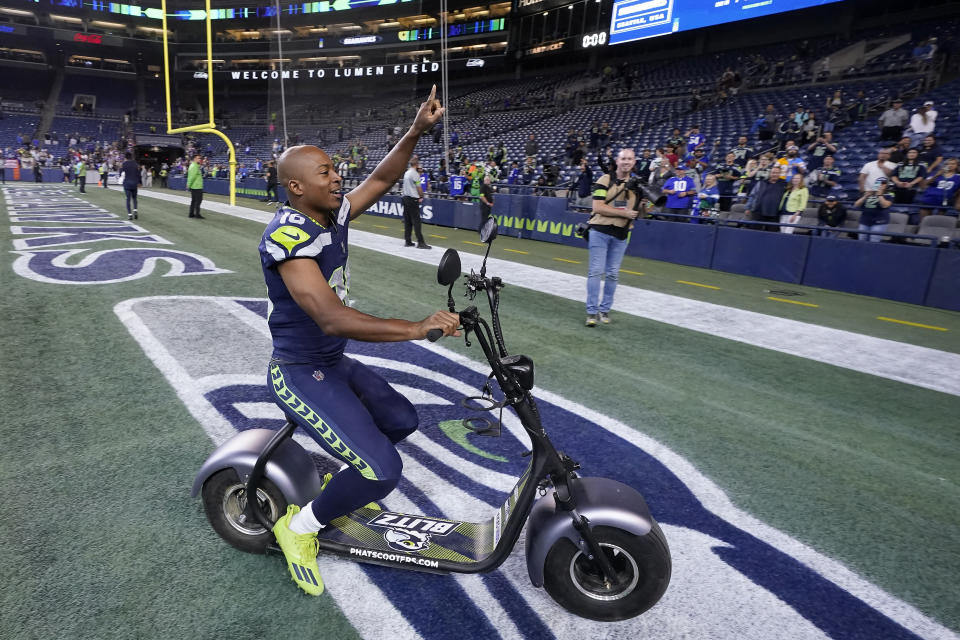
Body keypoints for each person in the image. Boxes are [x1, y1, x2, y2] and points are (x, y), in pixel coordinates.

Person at [261, 86, 459, 597]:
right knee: (382, 470)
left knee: (401, 420)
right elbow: (329, 317)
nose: (337, 176)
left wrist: (416, 129)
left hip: (331, 361)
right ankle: (297, 528)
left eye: (333, 169)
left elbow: (383, 177)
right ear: (295, 187)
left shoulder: (330, 214)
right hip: (299, 369)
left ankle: (338, 490)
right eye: (324, 172)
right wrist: (416, 328)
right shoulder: (288, 236)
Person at [584, 147, 644, 327]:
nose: (626, 162)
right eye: (623, 158)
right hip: (599, 231)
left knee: (612, 274)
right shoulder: (605, 179)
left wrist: (644, 205)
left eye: (630, 159)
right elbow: (597, 207)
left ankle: (604, 310)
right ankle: (591, 312)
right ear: (617, 161)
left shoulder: (638, 185)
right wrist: (625, 214)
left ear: (634, 162)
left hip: (621, 234)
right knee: (596, 271)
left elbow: (639, 214)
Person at [745, 165, 787, 231]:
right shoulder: (761, 182)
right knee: (754, 232)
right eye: (773, 172)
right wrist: (748, 208)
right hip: (758, 212)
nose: (775, 174)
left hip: (774, 214)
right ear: (770, 173)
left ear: (780, 173)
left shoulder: (784, 184)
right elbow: (753, 195)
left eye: (777, 173)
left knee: (771, 235)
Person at [401, 155, 430, 249]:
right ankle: (420, 242)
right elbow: (419, 188)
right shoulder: (415, 174)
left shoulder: (407, 173)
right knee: (416, 221)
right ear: (417, 164)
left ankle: (408, 241)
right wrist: (421, 196)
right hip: (413, 199)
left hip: (405, 198)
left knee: (408, 221)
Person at [854, 178, 892, 242]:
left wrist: (880, 194)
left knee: (874, 242)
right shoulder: (868, 193)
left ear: (886, 185)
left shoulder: (889, 194)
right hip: (864, 221)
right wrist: (865, 196)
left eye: (883, 183)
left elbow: (885, 205)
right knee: (861, 241)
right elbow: (856, 205)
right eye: (879, 183)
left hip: (879, 222)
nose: (880, 185)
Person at [120, 152, 141, 220]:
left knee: (128, 199)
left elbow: (121, 173)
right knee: (134, 198)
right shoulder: (136, 164)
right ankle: (135, 210)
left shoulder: (124, 164)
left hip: (127, 184)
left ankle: (130, 215)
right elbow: (138, 174)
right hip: (134, 183)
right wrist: (139, 182)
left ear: (125, 157)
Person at [187, 154, 205, 219]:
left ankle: (191, 214)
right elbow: (192, 177)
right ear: (194, 159)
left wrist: (189, 184)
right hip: (197, 186)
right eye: (198, 158)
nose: (200, 159)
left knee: (194, 200)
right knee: (198, 200)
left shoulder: (194, 166)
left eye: (200, 158)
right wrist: (188, 184)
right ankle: (197, 214)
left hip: (194, 186)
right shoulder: (194, 166)